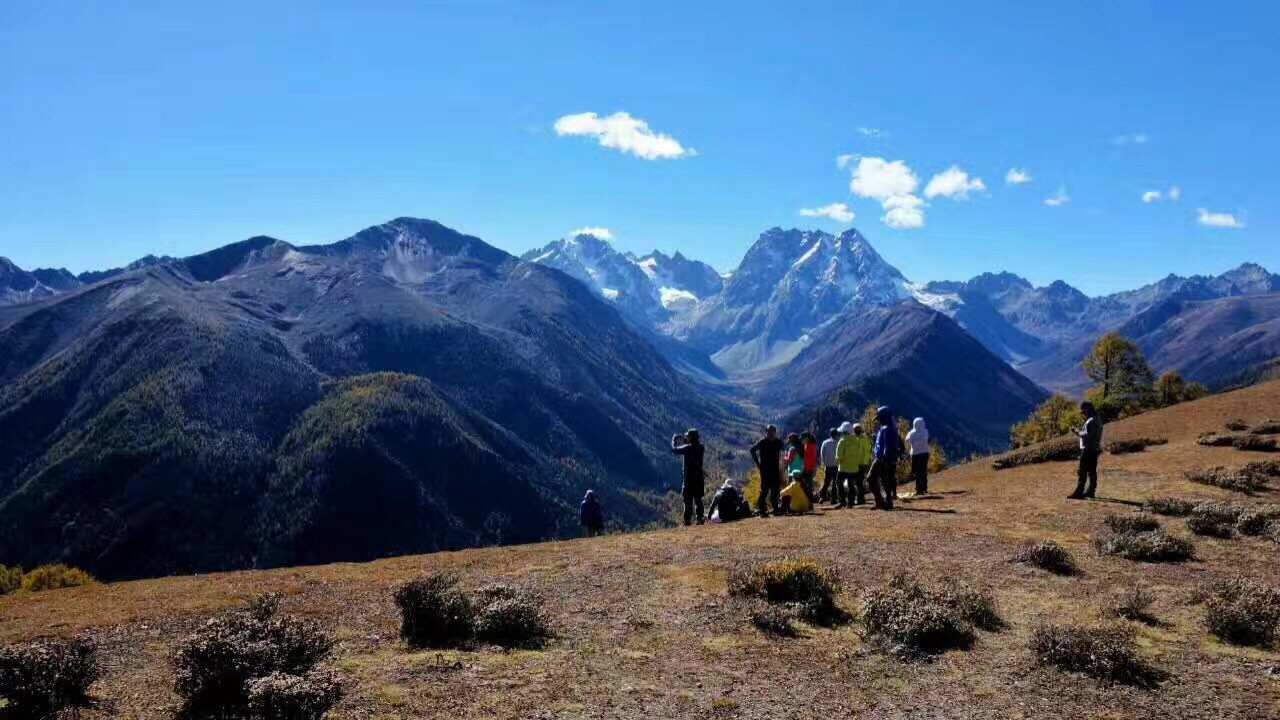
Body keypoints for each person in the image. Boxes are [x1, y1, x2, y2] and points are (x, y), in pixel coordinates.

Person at [868, 406, 905, 510]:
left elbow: (886, 446)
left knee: (871, 478)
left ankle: (881, 501)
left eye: (879, 418)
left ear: (883, 417)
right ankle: (887, 501)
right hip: (888, 458)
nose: (878, 420)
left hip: (881, 458)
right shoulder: (891, 428)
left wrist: (883, 459)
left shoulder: (886, 429)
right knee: (885, 480)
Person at [1069, 402, 1104, 500]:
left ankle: (1079, 492)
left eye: (1084, 412)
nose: (1083, 414)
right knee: (1092, 471)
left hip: (1087, 448)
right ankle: (1091, 491)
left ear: (1087, 410)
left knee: (1082, 471)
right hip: (1095, 448)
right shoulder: (1098, 419)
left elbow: (1085, 434)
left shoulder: (1090, 421)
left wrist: (1075, 431)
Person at [672, 428, 706, 525]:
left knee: (688, 501)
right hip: (699, 479)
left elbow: (674, 450)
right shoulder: (701, 447)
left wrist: (674, 439)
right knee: (698, 499)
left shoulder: (686, 449)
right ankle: (700, 519)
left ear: (690, 438)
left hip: (688, 480)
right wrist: (686, 439)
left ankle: (687, 521)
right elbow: (692, 444)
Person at [750, 425, 784, 516]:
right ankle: (762, 511)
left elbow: (783, 451)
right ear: (766, 432)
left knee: (775, 491)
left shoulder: (778, 442)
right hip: (765, 471)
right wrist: (758, 464)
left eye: (773, 432)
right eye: (769, 432)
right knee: (764, 491)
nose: (771, 434)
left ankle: (775, 509)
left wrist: (782, 466)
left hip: (775, 470)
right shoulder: (762, 442)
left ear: (775, 432)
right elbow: (752, 450)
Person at [836, 421, 871, 507]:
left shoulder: (842, 441)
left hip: (844, 467)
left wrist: (839, 462)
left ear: (844, 432)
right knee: (852, 484)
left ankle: (842, 500)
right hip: (855, 467)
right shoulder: (857, 440)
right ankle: (851, 501)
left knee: (839, 482)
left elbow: (839, 457)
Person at [906, 417, 931, 496]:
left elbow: (907, 441)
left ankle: (919, 489)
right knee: (923, 471)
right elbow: (928, 440)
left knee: (917, 472)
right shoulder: (926, 432)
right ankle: (924, 488)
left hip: (916, 454)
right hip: (925, 453)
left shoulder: (912, 433)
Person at [818, 428, 840, 504]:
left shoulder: (825, 442)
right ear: (836, 434)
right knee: (835, 482)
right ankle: (833, 498)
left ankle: (822, 496)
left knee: (826, 482)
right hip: (836, 466)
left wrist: (824, 463)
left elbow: (822, 454)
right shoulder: (838, 442)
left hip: (828, 466)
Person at [801, 432, 819, 503]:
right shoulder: (809, 444)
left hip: (809, 468)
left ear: (807, 438)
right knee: (808, 485)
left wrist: (809, 467)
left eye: (803, 438)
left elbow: (810, 457)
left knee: (808, 485)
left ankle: (809, 502)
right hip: (808, 467)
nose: (802, 440)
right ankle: (809, 502)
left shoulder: (810, 445)